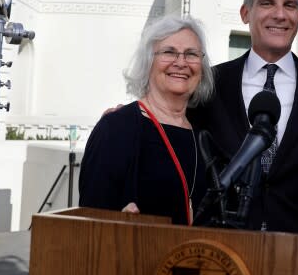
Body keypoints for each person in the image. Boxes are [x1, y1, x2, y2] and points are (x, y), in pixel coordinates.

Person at [190, 0, 298, 233]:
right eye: (267, 3)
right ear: (245, 13)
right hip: (222, 247)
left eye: (289, 5)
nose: (279, 14)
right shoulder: (207, 86)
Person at [78, 15, 214, 225]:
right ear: (148, 62)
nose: (181, 63)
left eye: (191, 54)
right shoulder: (116, 129)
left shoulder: (204, 137)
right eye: (169, 52)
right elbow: (92, 220)